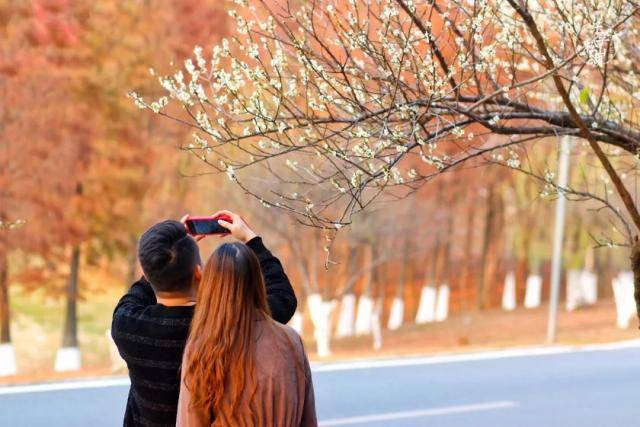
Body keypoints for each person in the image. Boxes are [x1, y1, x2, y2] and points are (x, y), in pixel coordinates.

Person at [111, 211, 297, 426]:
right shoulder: (228, 322)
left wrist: (161, 258)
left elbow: (135, 295)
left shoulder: (128, 327)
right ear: (199, 274)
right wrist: (250, 239)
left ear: (146, 272)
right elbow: (283, 299)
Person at [177, 242, 316, 426]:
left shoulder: (202, 348)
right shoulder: (291, 341)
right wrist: (251, 238)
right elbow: (308, 420)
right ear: (258, 282)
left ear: (211, 286)